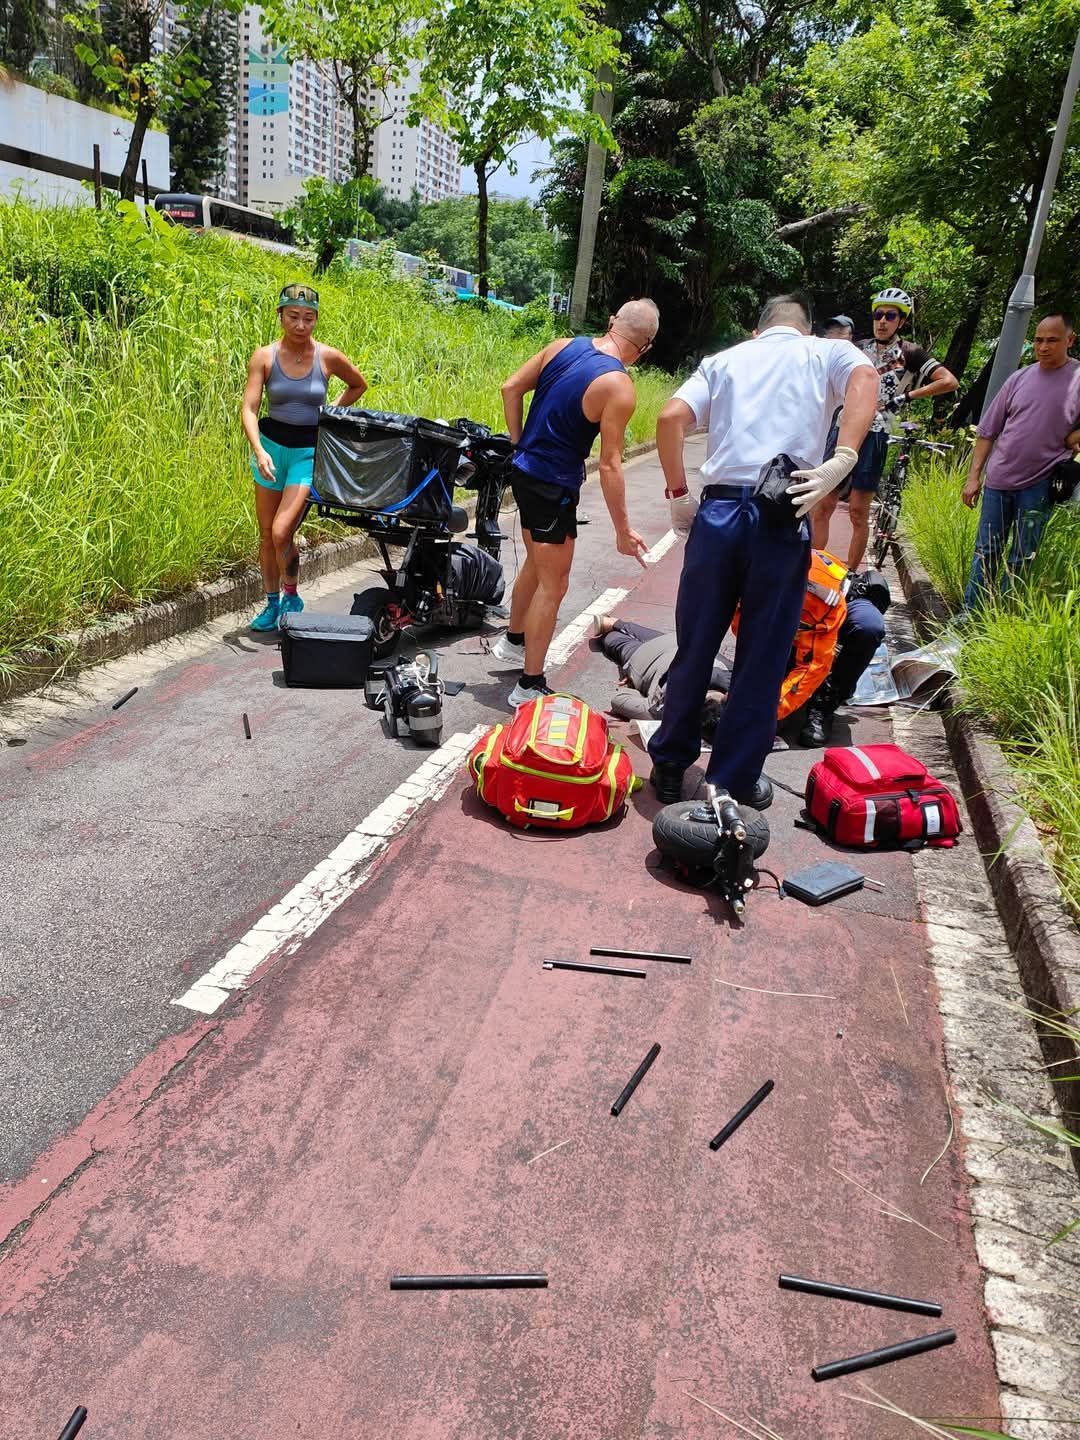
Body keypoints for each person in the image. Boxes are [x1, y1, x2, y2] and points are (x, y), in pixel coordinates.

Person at [647, 293, 878, 808]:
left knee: (696, 643)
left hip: (719, 513)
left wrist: (679, 495)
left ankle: (669, 764)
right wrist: (843, 457)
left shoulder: (723, 361)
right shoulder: (826, 353)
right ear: (807, 327)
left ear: (758, 329)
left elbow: (668, 419)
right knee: (762, 656)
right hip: (782, 512)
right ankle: (731, 777)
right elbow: (867, 380)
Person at [493, 299, 660, 707]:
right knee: (555, 584)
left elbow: (510, 388)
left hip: (525, 473)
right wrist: (623, 530)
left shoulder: (562, 345)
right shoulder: (618, 386)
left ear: (611, 321)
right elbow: (609, 464)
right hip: (553, 485)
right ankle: (528, 685)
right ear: (647, 346)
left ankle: (514, 641)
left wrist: (518, 444)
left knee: (536, 562)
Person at [594, 554, 887, 747]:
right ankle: (614, 625)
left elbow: (812, 665)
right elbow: (738, 633)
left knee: (869, 628)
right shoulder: (739, 578)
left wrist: (767, 713)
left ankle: (825, 704)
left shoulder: (820, 598)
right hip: (658, 656)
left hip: (842, 599)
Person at [241, 283, 368, 631]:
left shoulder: (327, 357)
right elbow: (250, 408)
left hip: (307, 452)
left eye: (308, 318)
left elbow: (359, 384)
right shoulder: (264, 356)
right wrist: (259, 449)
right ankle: (271, 604)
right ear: (280, 315)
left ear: (316, 320)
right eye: (293, 316)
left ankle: (292, 594)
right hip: (271, 450)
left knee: (283, 531)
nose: (300, 325)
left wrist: (331, 414)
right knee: (267, 534)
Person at [812, 288, 958, 571]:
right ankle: (811, 571)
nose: (882, 321)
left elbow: (948, 380)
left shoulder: (911, 353)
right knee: (824, 504)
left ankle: (850, 578)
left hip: (877, 433)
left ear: (901, 321)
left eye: (890, 316)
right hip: (843, 427)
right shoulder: (859, 348)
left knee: (857, 512)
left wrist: (907, 397)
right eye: (878, 314)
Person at [961, 311, 1080, 608]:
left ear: (1070, 340)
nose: (1043, 347)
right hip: (999, 480)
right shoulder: (1020, 378)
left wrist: (1074, 439)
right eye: (1039, 340)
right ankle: (969, 617)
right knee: (986, 550)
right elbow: (988, 431)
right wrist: (974, 477)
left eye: (1052, 340)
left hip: (1040, 484)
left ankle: (1000, 617)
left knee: (1023, 556)